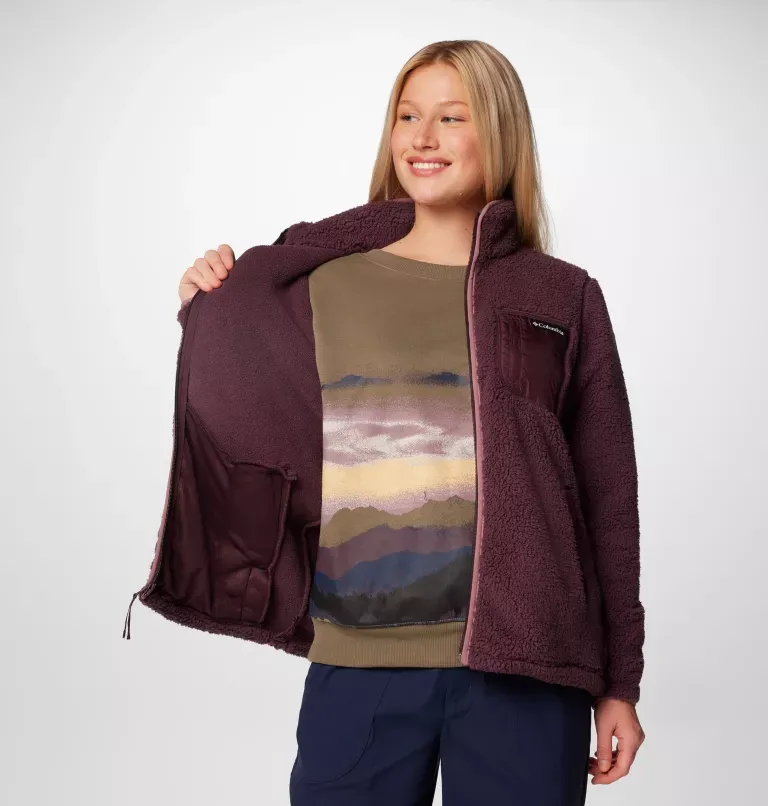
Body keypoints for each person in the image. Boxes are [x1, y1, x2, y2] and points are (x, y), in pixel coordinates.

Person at [176, 40, 645, 805]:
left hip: (528, 662)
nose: (422, 138)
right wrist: (208, 307)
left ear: (499, 134)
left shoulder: (562, 294)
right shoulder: (323, 282)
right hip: (360, 657)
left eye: (452, 117)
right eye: (407, 116)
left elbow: (608, 498)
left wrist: (619, 680)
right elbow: (243, 407)